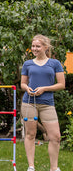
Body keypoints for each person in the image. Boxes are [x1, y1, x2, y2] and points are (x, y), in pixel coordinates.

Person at [21, 34, 65, 171]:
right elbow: (23, 83)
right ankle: (31, 166)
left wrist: (45, 88)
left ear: (45, 47)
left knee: (55, 136)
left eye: (38, 46)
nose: (34, 48)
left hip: (47, 103)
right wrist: (26, 88)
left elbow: (61, 84)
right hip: (29, 102)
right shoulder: (27, 64)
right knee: (30, 134)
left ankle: (53, 168)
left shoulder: (55, 64)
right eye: (33, 46)